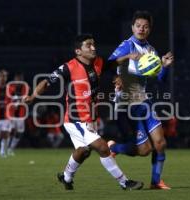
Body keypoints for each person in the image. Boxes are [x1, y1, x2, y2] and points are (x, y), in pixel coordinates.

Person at [23, 34, 143, 190]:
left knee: (83, 151)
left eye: (93, 44)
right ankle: (125, 182)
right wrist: (32, 96)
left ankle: (66, 177)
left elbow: (112, 64)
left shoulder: (98, 62)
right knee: (102, 147)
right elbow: (46, 82)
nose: (93, 47)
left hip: (90, 118)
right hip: (75, 118)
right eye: (88, 45)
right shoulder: (69, 67)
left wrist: (126, 62)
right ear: (78, 51)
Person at [107, 10, 174, 189]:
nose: (141, 29)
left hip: (143, 101)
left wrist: (165, 67)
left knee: (160, 143)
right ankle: (114, 148)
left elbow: (161, 79)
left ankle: (156, 182)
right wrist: (127, 60)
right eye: (138, 26)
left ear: (149, 29)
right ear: (132, 27)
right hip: (127, 104)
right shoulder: (127, 46)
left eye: (145, 26)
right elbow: (107, 65)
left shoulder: (151, 50)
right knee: (144, 150)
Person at [7, 72, 29, 156]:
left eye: (20, 79)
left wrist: (22, 101)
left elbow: (27, 99)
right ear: (14, 79)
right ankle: (5, 148)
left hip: (21, 113)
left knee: (19, 132)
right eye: (17, 79)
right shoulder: (10, 87)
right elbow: (8, 99)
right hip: (11, 113)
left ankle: (11, 149)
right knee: (10, 130)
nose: (19, 81)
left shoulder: (26, 88)